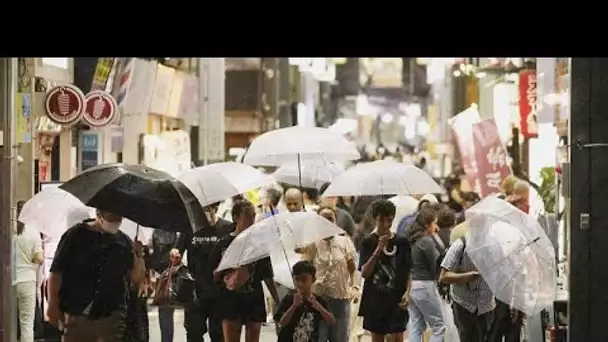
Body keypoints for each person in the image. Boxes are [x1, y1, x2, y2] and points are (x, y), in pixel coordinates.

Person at [47, 210, 146, 342]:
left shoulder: (124, 242)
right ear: (99, 214)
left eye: (118, 217)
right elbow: (56, 271)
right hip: (77, 315)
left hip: (111, 318)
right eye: (111, 216)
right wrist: (52, 304)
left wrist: (138, 256)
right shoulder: (75, 235)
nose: (115, 221)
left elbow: (136, 279)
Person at [210, 200, 279, 342]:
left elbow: (267, 275)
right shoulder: (224, 244)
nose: (252, 220)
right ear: (236, 218)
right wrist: (226, 268)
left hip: (254, 300)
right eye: (247, 216)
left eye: (253, 216)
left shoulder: (259, 244)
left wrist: (278, 300)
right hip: (230, 300)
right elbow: (213, 276)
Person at [172, 202, 234, 342]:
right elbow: (177, 251)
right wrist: (174, 254)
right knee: (193, 333)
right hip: (195, 290)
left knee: (218, 334)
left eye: (206, 210)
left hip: (220, 290)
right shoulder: (189, 227)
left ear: (214, 208)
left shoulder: (227, 227)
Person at [298, 206, 359, 341]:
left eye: (330, 219)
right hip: (318, 300)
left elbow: (352, 269)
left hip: (340, 300)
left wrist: (355, 287)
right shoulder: (313, 243)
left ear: (336, 221)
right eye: (323, 220)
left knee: (340, 338)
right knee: (319, 337)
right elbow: (303, 269)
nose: (327, 223)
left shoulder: (345, 242)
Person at [358, 200, 412, 342]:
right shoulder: (368, 242)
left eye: (389, 220)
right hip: (376, 299)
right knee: (378, 337)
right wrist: (378, 250)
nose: (385, 224)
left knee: (397, 337)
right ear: (375, 218)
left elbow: (408, 269)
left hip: (396, 298)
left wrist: (408, 292)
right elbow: (364, 273)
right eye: (381, 220)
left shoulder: (401, 242)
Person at [439, 228, 495, 342]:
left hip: (487, 305)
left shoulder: (495, 246)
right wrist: (467, 276)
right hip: (464, 305)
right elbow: (443, 276)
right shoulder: (460, 245)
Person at [405, 207, 446, 342]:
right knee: (438, 326)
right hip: (425, 284)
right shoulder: (426, 241)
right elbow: (435, 265)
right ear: (427, 224)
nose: (436, 227)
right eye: (434, 223)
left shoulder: (411, 240)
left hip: (411, 286)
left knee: (417, 326)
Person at [274, 260, 336, 342]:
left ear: (313, 279)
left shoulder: (319, 300)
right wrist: (294, 306)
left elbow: (331, 321)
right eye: (296, 279)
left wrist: (318, 307)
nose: (300, 283)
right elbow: (282, 322)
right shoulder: (288, 299)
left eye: (304, 279)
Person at [13, 208, 43, 342]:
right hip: (27, 281)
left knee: (9, 323)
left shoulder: (8, 231)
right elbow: (39, 258)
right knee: (26, 323)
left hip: (9, 282)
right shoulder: (32, 232)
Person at [149, 230, 179, 342]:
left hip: (161, 276)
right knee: (167, 312)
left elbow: (153, 256)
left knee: (165, 313)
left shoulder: (155, 232)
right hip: (174, 274)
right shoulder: (178, 231)